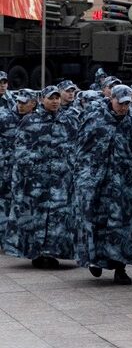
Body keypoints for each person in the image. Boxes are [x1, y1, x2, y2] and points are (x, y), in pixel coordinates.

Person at [74, 85, 132, 284]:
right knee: (97, 222)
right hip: (98, 182)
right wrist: (84, 177)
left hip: (125, 183)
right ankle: (95, 260)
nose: (123, 108)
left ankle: (120, 267)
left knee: (123, 226)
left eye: (127, 104)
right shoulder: (95, 120)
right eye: (120, 103)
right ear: (111, 99)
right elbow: (82, 149)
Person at [3, 86, 78, 268]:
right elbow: (20, 150)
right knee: (37, 216)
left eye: (57, 98)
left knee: (58, 215)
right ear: (42, 100)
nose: (55, 101)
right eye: (50, 98)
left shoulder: (69, 120)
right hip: (37, 180)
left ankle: (52, 252)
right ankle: (37, 252)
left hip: (61, 179)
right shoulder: (30, 121)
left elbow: (76, 147)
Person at [0, 89, 38, 244]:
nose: (20, 105)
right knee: (4, 202)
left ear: (33, 104)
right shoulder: (4, 117)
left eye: (24, 102)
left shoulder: (36, 120)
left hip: (25, 171)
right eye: (18, 102)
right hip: (4, 168)